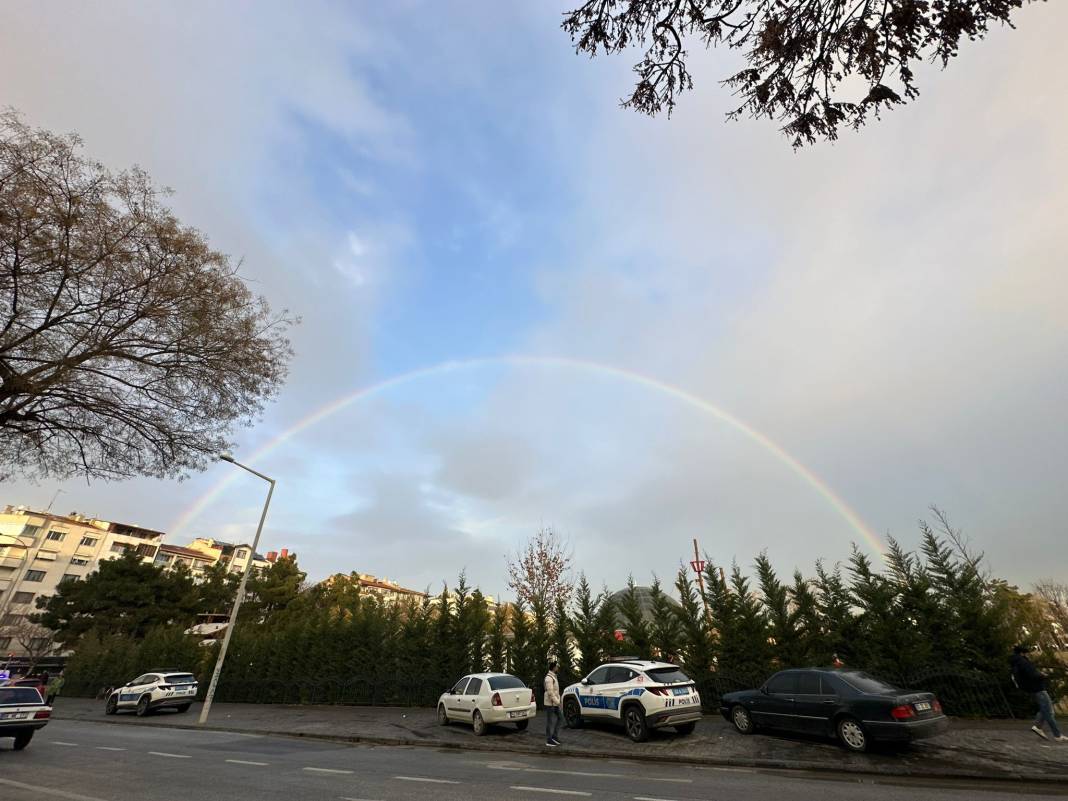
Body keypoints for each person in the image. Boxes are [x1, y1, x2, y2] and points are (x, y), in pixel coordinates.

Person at [1011, 644, 1066, 742]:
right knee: (1049, 711)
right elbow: (1032, 675)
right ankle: (1057, 735)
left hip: (1032, 688)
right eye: (1027, 653)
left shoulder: (1016, 663)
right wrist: (1043, 675)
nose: (1028, 655)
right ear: (1023, 653)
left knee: (1045, 709)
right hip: (1037, 688)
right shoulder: (1023, 662)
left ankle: (1038, 727)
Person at [544, 660, 562, 747]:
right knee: (550, 722)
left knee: (561, 718)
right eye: (557, 667)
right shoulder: (549, 678)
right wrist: (558, 702)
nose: (558, 668)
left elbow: (556, 691)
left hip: (554, 703)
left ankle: (554, 736)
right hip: (550, 704)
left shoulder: (554, 677)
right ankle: (549, 740)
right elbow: (550, 693)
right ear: (554, 667)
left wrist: (559, 700)